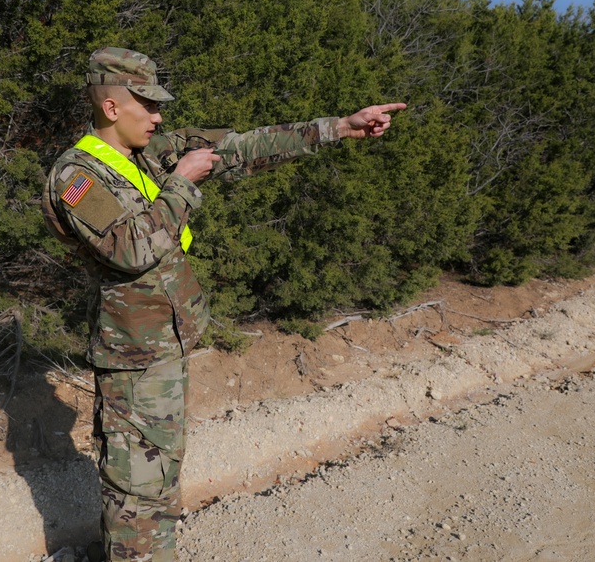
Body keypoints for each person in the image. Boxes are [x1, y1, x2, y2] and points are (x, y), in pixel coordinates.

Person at [42, 47, 405, 562]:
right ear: (111, 107)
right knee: (134, 489)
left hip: (164, 346)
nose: (159, 116)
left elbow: (244, 146)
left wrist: (341, 127)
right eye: (147, 105)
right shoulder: (77, 177)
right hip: (133, 357)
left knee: (161, 473)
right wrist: (183, 183)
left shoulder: (149, 152)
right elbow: (129, 249)